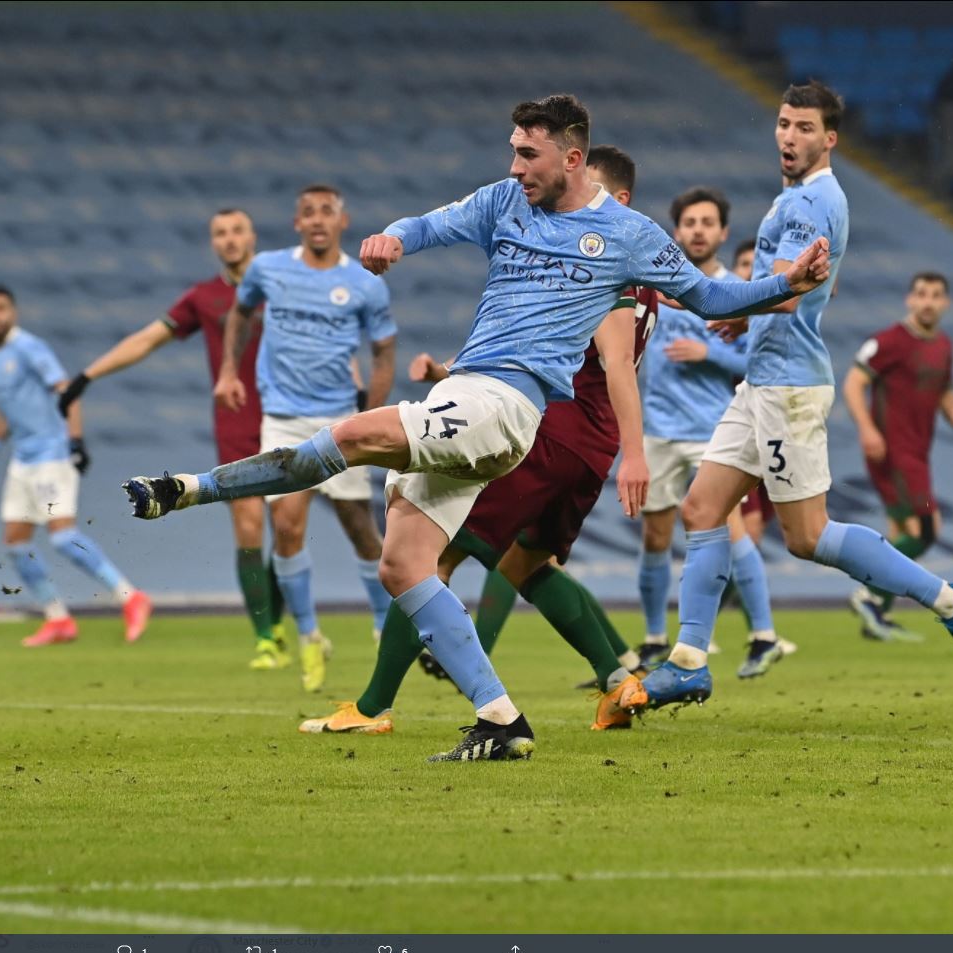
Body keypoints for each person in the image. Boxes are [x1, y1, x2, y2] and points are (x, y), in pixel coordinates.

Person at [124, 94, 830, 762]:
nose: (516, 166)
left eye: (529, 154)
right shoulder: (502, 201)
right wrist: (391, 240)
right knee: (405, 564)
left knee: (349, 439)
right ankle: (500, 718)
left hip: (506, 406)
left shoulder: (626, 234)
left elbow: (709, 297)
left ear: (573, 160)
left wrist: (788, 283)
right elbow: (430, 223)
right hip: (468, 391)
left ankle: (185, 490)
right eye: (514, 152)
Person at [639, 82, 953, 716]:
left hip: (789, 387)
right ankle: (689, 662)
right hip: (763, 375)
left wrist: (714, 301)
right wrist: (742, 320)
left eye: (804, 127)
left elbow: (794, 292)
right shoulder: (798, 197)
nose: (788, 137)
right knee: (701, 507)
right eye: (782, 124)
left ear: (830, 139)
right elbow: (780, 291)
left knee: (807, 536)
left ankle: (950, 599)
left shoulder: (813, 203)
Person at [298, 144, 656, 737]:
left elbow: (615, 362)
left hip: (551, 434)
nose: (574, 202)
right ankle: (619, 680)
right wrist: (452, 379)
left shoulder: (603, 263)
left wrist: (639, 455)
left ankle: (371, 708)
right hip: (589, 444)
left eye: (588, 190)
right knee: (526, 564)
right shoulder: (639, 274)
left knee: (425, 558)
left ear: (618, 201)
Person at [57, 209, 288, 668]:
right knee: (248, 528)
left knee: (289, 533)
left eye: (237, 230)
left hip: (290, 418)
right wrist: (87, 376)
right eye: (220, 233)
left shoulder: (284, 283)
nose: (229, 239)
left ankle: (279, 621)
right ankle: (265, 638)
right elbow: (146, 339)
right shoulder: (204, 298)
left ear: (252, 236)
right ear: (213, 243)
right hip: (237, 424)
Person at [207, 185, 398, 692]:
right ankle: (311, 636)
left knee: (360, 528)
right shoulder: (268, 269)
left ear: (342, 221)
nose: (317, 220)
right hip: (284, 419)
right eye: (308, 212)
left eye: (327, 212)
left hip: (339, 421)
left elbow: (383, 350)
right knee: (286, 526)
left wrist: (371, 407)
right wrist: (229, 371)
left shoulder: (364, 282)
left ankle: (383, 627)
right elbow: (240, 314)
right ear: (297, 223)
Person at [638, 188, 796, 679]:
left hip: (713, 428)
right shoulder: (658, 285)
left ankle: (763, 633)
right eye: (690, 222)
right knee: (655, 537)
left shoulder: (738, 290)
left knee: (728, 530)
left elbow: (758, 359)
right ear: (677, 229)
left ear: (723, 232)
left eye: (708, 222)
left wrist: (710, 355)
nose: (699, 230)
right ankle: (653, 638)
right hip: (658, 429)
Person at [0, 285, 152, 647]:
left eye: (1, 308)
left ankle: (130, 597)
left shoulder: (30, 348)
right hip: (22, 460)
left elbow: (66, 389)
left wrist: (76, 441)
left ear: (13, 313)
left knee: (63, 536)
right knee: (16, 544)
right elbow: (5, 405)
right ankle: (58, 619)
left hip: (52, 454)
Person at [844, 271, 953, 641]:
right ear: (909, 299)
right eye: (921, 294)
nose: (927, 301)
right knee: (925, 529)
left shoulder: (943, 347)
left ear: (946, 303)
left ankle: (877, 617)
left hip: (917, 453)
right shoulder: (890, 341)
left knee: (900, 533)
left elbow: (946, 396)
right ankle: (869, 595)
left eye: (935, 295)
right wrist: (867, 428)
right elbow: (854, 382)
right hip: (893, 452)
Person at [729, 238, 779, 548]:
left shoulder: (777, 320)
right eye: (744, 264)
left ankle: (721, 595)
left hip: (773, 428)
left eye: (757, 265)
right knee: (751, 527)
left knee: (766, 520)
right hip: (736, 431)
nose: (750, 272)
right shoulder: (723, 315)